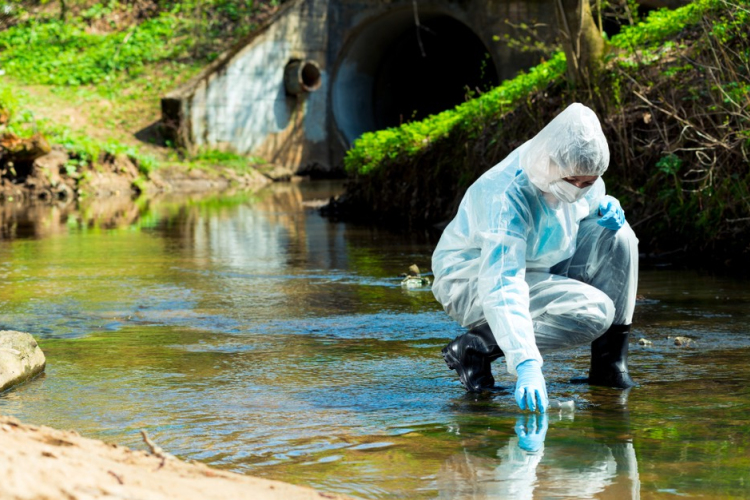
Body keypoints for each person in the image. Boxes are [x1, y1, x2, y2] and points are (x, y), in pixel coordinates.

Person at [431, 102, 638, 413]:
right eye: (574, 182)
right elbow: (502, 282)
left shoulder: (578, 168)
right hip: (472, 278)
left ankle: (609, 365)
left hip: (542, 263)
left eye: (589, 182)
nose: (581, 189)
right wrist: (526, 363)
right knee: (594, 312)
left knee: (620, 236)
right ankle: (477, 347)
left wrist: (606, 202)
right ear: (554, 165)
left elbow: (585, 204)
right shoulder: (508, 194)